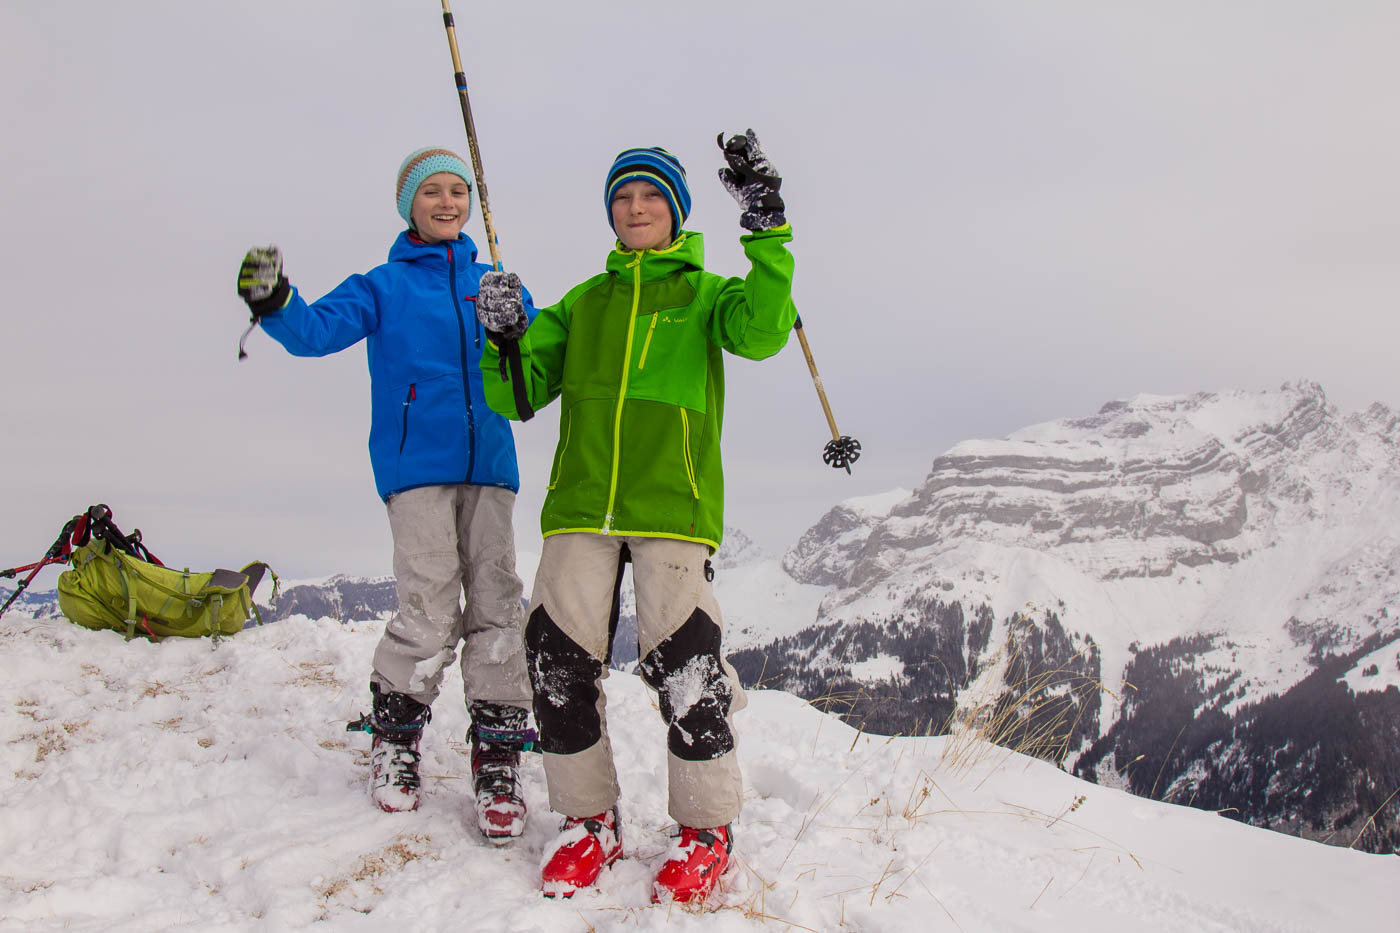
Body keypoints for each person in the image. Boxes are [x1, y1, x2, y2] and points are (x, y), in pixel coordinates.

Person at [474, 132, 796, 901]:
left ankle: (706, 831)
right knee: (556, 657)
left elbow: (764, 332)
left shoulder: (708, 294)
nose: (636, 207)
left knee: (687, 665)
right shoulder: (584, 303)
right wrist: (503, 336)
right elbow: (516, 394)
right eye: (623, 196)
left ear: (677, 210)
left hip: (673, 506)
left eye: (652, 195)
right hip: (582, 502)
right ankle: (589, 820)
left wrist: (768, 232)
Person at [235, 147, 537, 841]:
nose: (447, 201)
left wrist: (516, 323)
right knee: (429, 604)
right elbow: (315, 332)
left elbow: (539, 358)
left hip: (491, 466)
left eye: (457, 190)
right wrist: (275, 301)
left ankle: (497, 756)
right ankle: (396, 738)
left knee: (497, 604)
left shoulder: (494, 283)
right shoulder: (383, 285)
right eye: (431, 191)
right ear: (409, 205)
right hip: (416, 468)